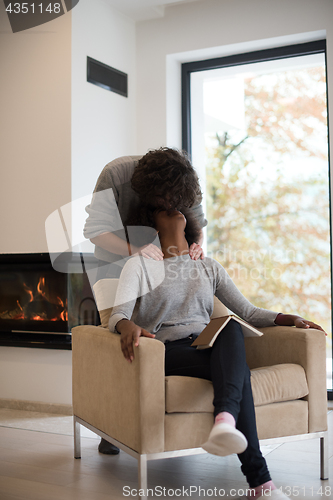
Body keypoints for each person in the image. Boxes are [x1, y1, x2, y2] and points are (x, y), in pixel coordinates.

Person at [108, 207, 324, 500]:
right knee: (240, 374)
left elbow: (247, 311)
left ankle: (225, 422)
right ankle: (261, 484)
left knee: (231, 328)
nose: (173, 209)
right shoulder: (139, 265)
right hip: (167, 350)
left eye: (178, 205)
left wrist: (289, 318)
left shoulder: (207, 265)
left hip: (207, 345)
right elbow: (117, 314)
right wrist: (127, 326)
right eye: (161, 207)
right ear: (150, 223)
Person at [84, 147, 207, 454]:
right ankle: (112, 426)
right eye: (167, 202)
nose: (172, 208)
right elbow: (95, 231)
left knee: (163, 336)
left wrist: (195, 249)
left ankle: (165, 413)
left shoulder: (184, 185)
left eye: (178, 204)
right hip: (115, 266)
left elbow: (198, 229)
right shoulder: (116, 175)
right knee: (120, 342)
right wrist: (133, 251)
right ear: (152, 192)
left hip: (166, 269)